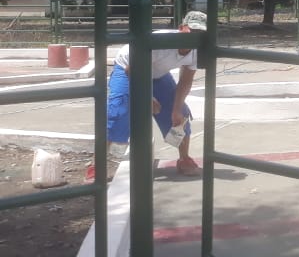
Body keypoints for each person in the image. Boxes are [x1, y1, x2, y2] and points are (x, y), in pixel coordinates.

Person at [86, 10, 208, 182]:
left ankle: (184, 158)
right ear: (181, 28)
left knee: (182, 114)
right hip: (129, 69)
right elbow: (132, 70)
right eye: (192, 31)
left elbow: (185, 81)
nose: (195, 36)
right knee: (118, 112)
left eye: (200, 33)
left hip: (157, 74)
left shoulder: (196, 50)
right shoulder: (160, 42)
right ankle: (96, 166)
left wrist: (176, 109)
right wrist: (147, 97)